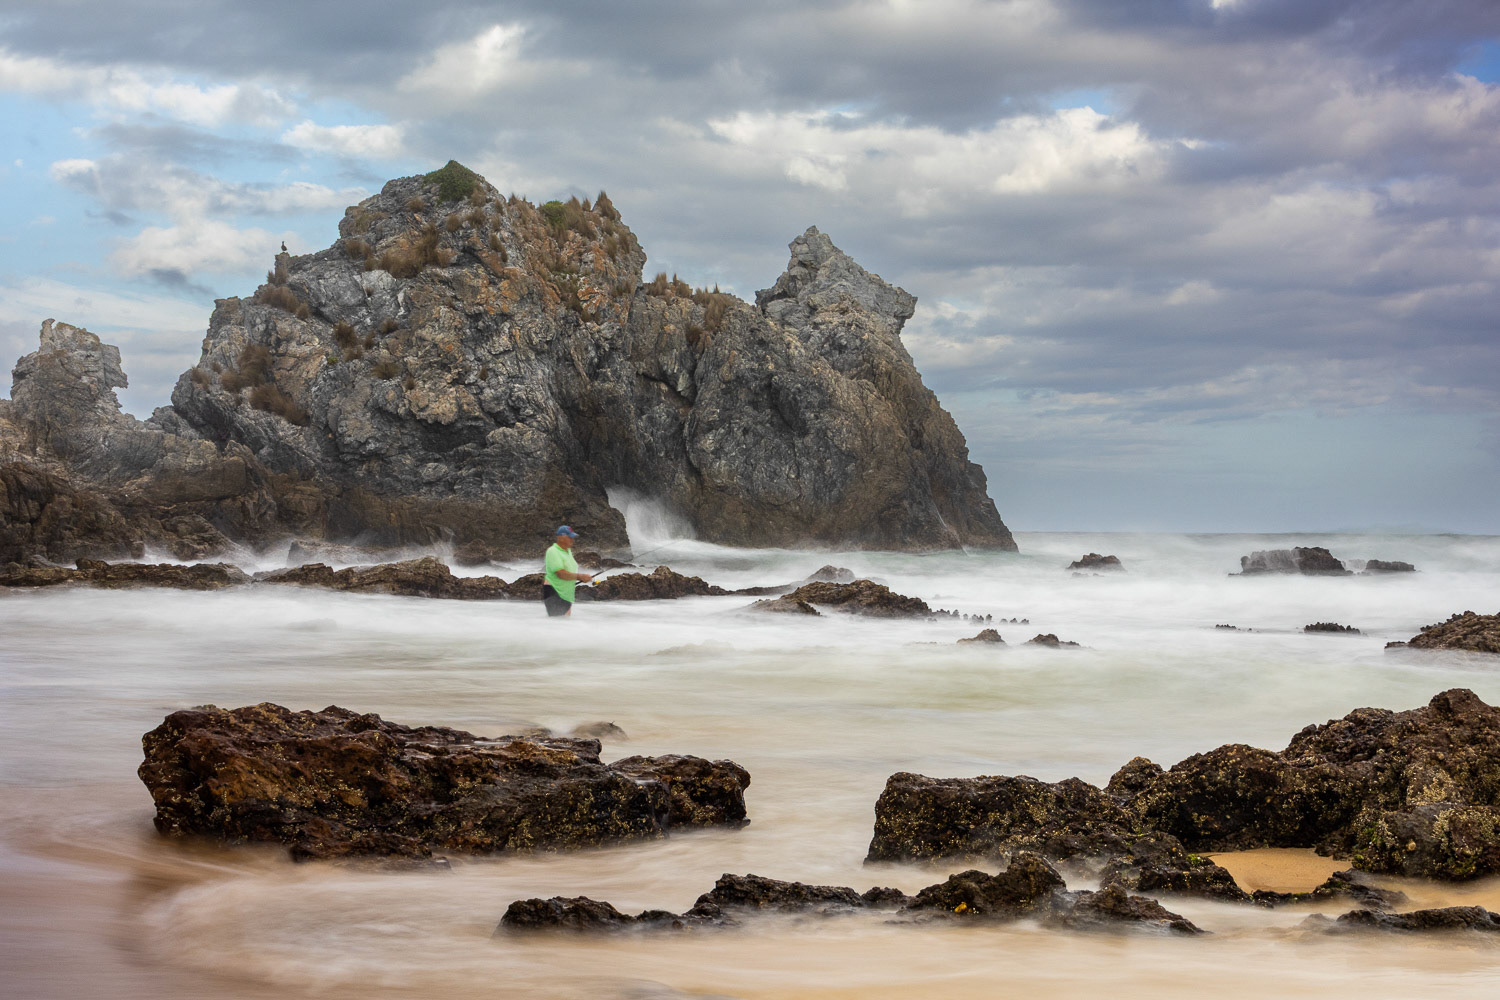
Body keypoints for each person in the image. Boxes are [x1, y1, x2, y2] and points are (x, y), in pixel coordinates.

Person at [542, 525, 593, 617]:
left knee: (564, 625)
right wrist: (580, 577)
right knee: (557, 625)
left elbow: (568, 570)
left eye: (572, 537)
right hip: (555, 593)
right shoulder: (553, 551)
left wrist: (583, 578)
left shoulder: (568, 551)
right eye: (569, 537)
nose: (572, 540)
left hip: (566, 594)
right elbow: (560, 573)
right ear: (561, 537)